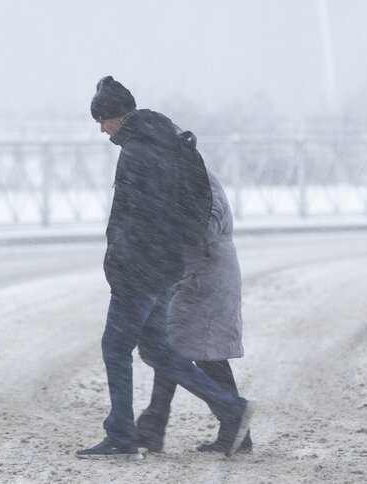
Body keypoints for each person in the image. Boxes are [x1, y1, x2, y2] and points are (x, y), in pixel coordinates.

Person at [75, 76, 256, 461]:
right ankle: (230, 409)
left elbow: (138, 216)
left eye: (102, 120)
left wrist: (121, 264)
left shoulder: (138, 152)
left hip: (141, 268)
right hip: (163, 266)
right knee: (160, 349)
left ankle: (122, 434)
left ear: (115, 117)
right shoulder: (163, 146)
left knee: (115, 348)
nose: (101, 129)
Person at [135, 169, 254, 454]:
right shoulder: (183, 176)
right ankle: (159, 423)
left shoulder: (197, 178)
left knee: (197, 351)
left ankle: (230, 420)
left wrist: (166, 225)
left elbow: (206, 228)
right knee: (180, 347)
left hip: (206, 275)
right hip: (196, 272)